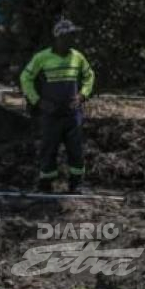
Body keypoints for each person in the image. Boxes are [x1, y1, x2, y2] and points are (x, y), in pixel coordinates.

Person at [20, 18, 95, 194]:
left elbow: (89, 75)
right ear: (58, 37)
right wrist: (37, 101)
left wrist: (83, 95)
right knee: (49, 148)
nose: (73, 40)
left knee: (75, 149)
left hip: (72, 113)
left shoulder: (77, 57)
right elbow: (25, 77)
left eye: (73, 36)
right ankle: (46, 185)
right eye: (69, 36)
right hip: (50, 114)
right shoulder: (42, 57)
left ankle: (76, 184)